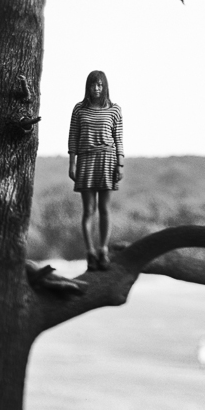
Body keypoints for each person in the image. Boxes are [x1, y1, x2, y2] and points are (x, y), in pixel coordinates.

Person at [68, 70, 124, 271]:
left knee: (105, 209)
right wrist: (72, 163)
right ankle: (90, 252)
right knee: (88, 210)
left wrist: (120, 163)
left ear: (105, 86)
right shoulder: (79, 109)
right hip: (86, 158)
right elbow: (73, 136)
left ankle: (103, 250)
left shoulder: (114, 109)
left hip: (108, 159)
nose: (96, 88)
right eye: (93, 85)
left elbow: (118, 138)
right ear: (88, 87)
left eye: (100, 85)